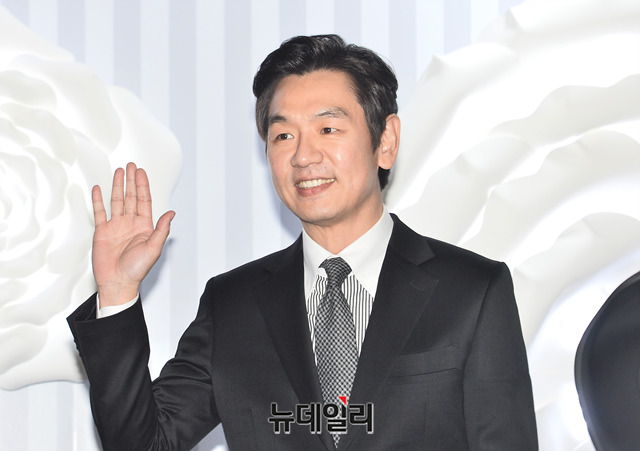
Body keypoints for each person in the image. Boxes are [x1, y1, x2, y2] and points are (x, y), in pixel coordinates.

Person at [68, 34, 538, 450]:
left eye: (328, 129)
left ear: (386, 141)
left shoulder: (472, 291)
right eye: (283, 135)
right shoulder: (232, 305)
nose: (303, 156)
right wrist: (117, 293)